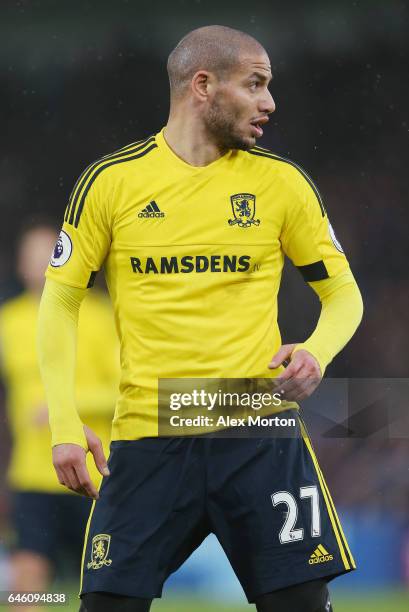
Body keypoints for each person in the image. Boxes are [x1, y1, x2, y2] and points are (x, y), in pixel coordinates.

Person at [37, 25, 363, 612]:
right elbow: (59, 303)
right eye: (256, 84)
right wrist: (64, 424)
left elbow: (344, 293)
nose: (269, 102)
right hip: (147, 436)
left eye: (269, 87)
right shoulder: (112, 182)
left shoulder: (282, 183)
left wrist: (317, 349)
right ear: (203, 85)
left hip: (257, 432)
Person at [0, 223, 119, 611]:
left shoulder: (101, 316)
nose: (38, 265)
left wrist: (65, 405)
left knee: (104, 587)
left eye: (46, 254)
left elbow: (125, 391)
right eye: (29, 256)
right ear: (20, 265)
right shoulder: (9, 322)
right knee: (28, 586)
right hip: (33, 472)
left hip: (94, 473)